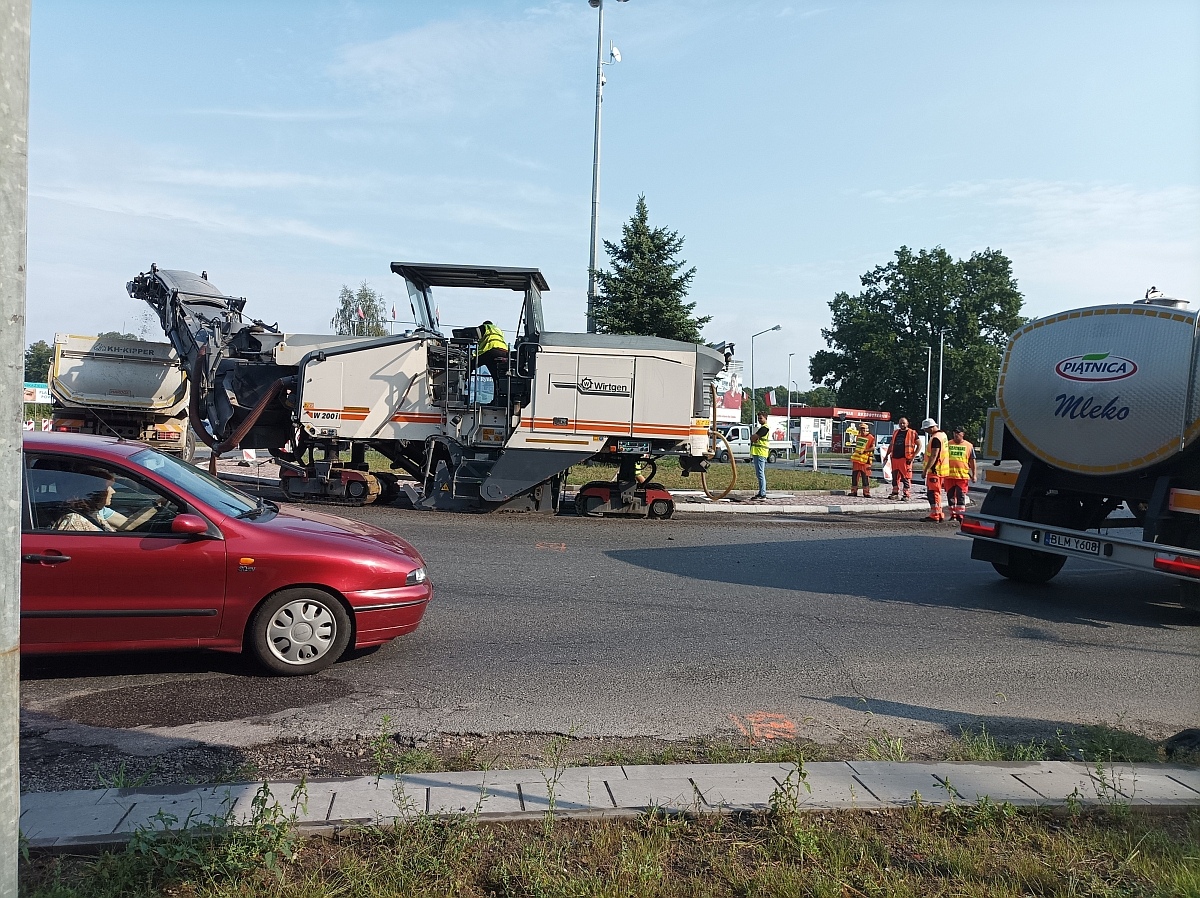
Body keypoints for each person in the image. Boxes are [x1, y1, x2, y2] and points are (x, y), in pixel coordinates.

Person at [52, 468, 118, 532]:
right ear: (97, 491)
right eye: (108, 487)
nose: (113, 491)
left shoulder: (95, 515)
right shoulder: (73, 522)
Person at [945, 426, 977, 522]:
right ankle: (953, 515)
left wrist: (974, 475)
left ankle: (960, 515)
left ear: (963, 434)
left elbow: (972, 461)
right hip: (949, 476)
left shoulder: (969, 446)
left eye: (958, 433)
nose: (956, 435)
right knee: (950, 496)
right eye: (954, 433)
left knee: (961, 496)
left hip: (962, 476)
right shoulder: (948, 444)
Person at [884, 417, 919, 500]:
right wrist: (886, 455)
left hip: (905, 459)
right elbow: (891, 445)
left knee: (906, 477)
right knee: (895, 477)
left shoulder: (912, 432)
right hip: (895, 458)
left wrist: (913, 456)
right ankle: (895, 493)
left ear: (907, 423)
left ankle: (906, 494)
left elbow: (919, 445)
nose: (902, 424)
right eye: (900, 423)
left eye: (903, 423)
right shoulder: (896, 432)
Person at [921, 418, 949, 522]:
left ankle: (935, 515)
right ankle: (939, 513)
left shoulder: (936, 438)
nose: (925, 431)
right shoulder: (943, 435)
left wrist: (925, 470)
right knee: (936, 493)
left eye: (926, 429)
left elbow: (934, 455)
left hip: (935, 470)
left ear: (931, 427)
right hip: (940, 469)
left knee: (933, 493)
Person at [849, 422, 876, 497]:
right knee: (855, 477)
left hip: (865, 461)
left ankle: (866, 492)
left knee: (865, 477)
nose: (862, 430)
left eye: (864, 429)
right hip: (857, 460)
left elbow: (873, 447)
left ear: (867, 429)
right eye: (861, 429)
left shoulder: (871, 437)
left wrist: (865, 451)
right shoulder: (858, 436)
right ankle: (854, 491)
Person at [750, 412, 770, 499]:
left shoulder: (764, 428)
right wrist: (754, 438)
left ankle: (762, 493)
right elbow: (754, 438)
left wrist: (753, 438)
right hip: (758, 452)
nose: (759, 420)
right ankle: (761, 492)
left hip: (760, 453)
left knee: (760, 474)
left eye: (761, 418)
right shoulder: (762, 428)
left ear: (765, 418)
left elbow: (753, 437)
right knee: (759, 474)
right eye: (758, 418)